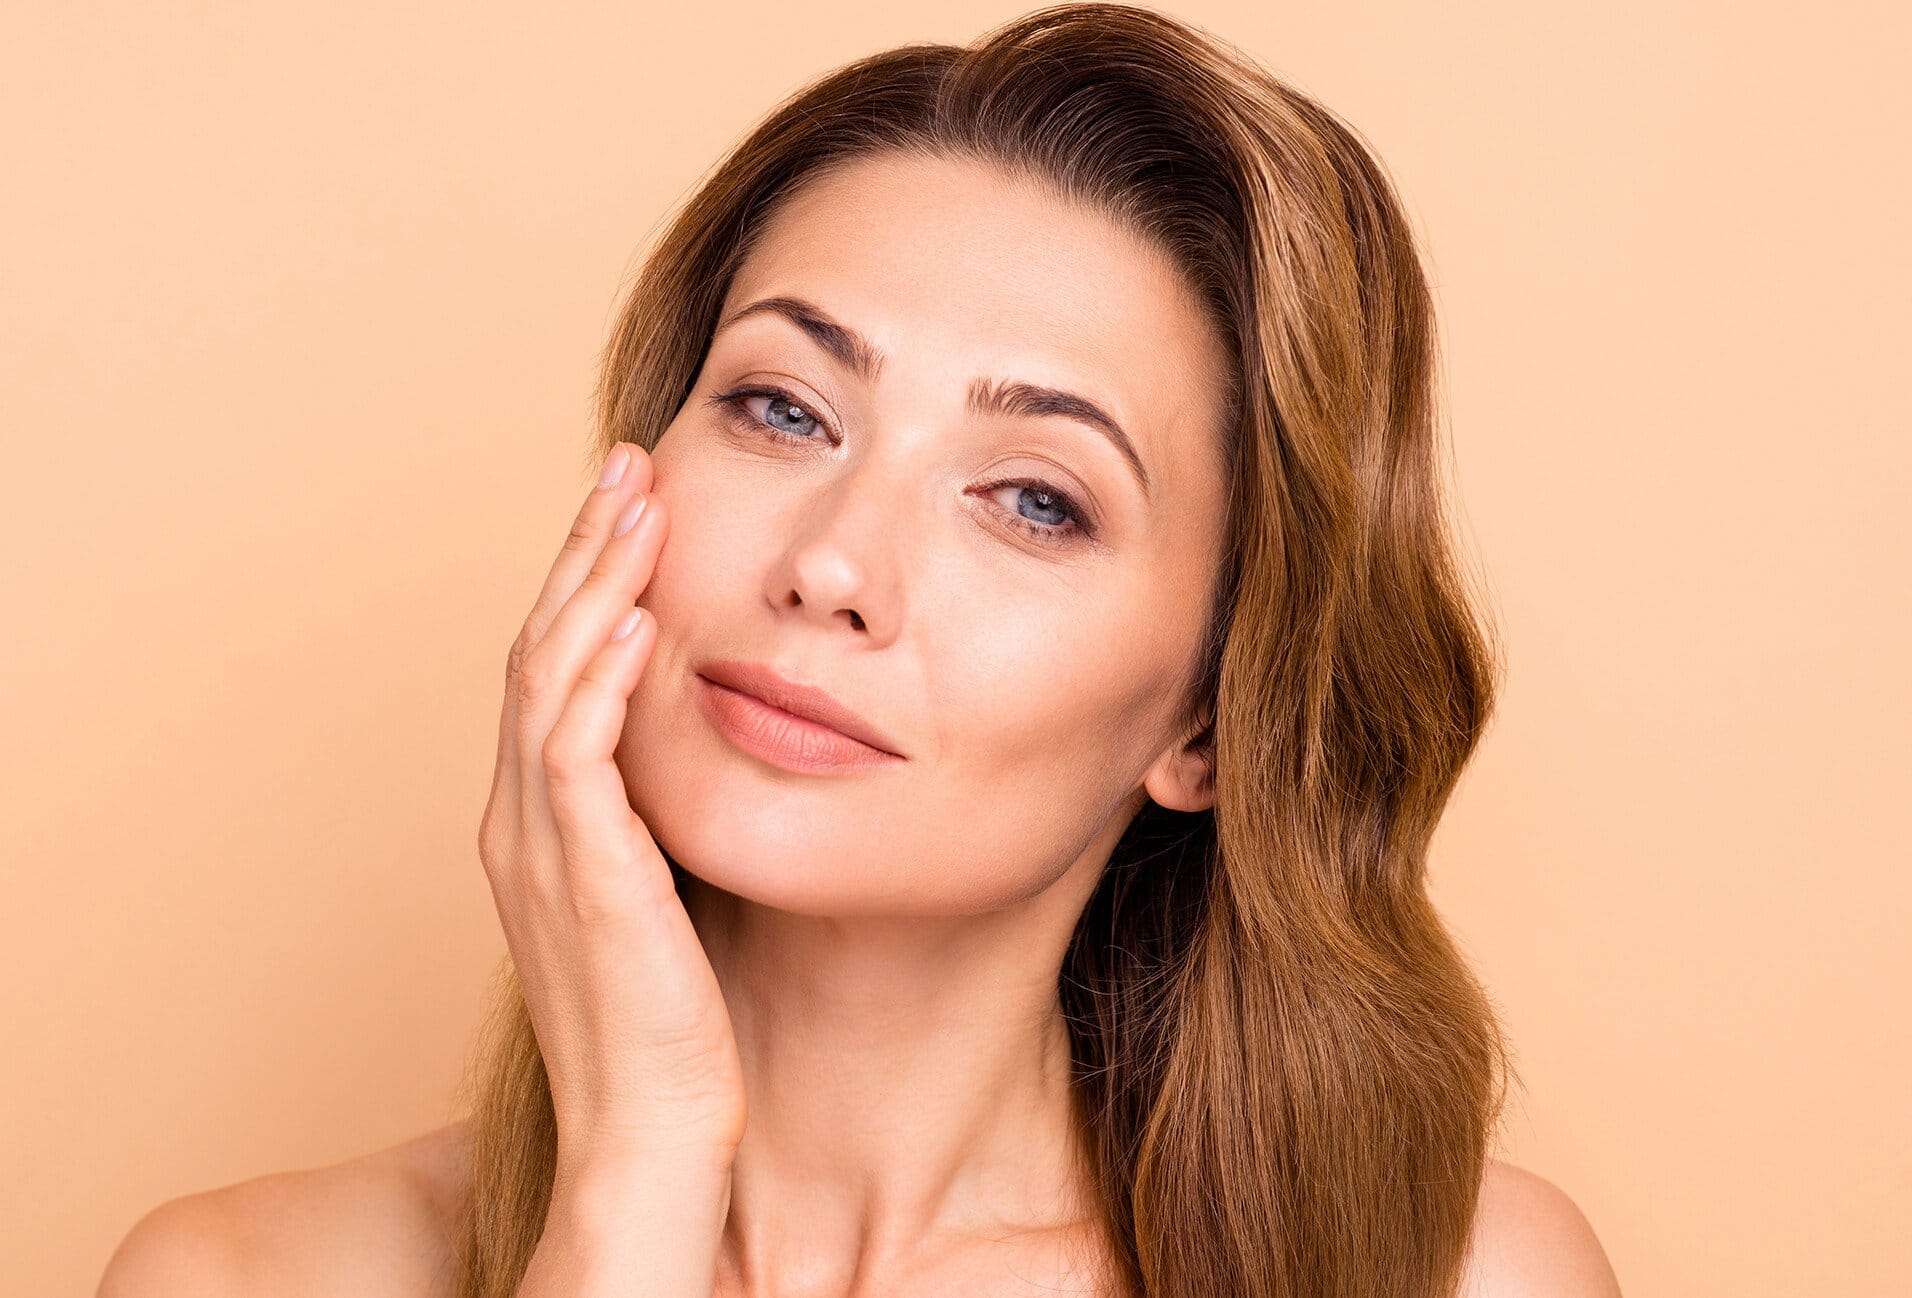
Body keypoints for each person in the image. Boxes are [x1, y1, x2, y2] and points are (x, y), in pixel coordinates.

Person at [98, 5, 1623, 1295]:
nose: (831, 563)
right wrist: (633, 1178)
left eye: (1035, 500)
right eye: (783, 409)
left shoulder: (1463, 1274)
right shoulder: (241, 1275)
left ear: (1210, 723)